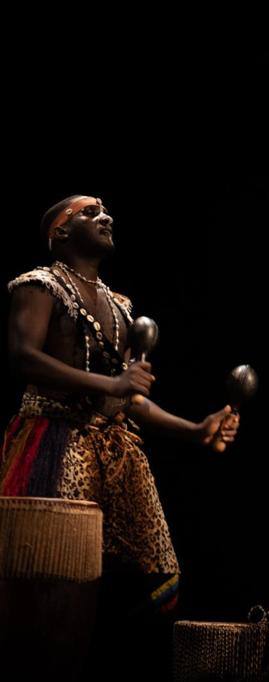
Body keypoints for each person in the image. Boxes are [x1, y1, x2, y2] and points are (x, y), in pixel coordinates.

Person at [1, 194, 240, 626]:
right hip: (56, 444)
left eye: (105, 210)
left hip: (114, 452)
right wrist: (113, 383)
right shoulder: (39, 284)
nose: (105, 216)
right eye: (89, 212)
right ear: (60, 232)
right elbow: (22, 357)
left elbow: (129, 399)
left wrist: (195, 429)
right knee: (56, 579)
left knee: (149, 578)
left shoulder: (121, 307)